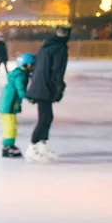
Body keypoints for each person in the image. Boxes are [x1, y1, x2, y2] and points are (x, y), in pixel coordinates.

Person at [25, 26, 70, 162]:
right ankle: (33, 147)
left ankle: (41, 145)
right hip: (45, 87)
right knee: (45, 118)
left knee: (47, 117)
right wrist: (58, 88)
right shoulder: (60, 49)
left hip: (40, 85)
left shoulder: (46, 46)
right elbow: (57, 71)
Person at [0, 53, 35, 158]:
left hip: (7, 104)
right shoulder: (20, 75)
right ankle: (7, 147)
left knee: (9, 126)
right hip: (8, 105)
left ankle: (8, 146)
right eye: (31, 65)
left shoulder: (19, 73)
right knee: (10, 127)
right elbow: (21, 91)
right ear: (25, 65)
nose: (32, 68)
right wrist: (31, 98)